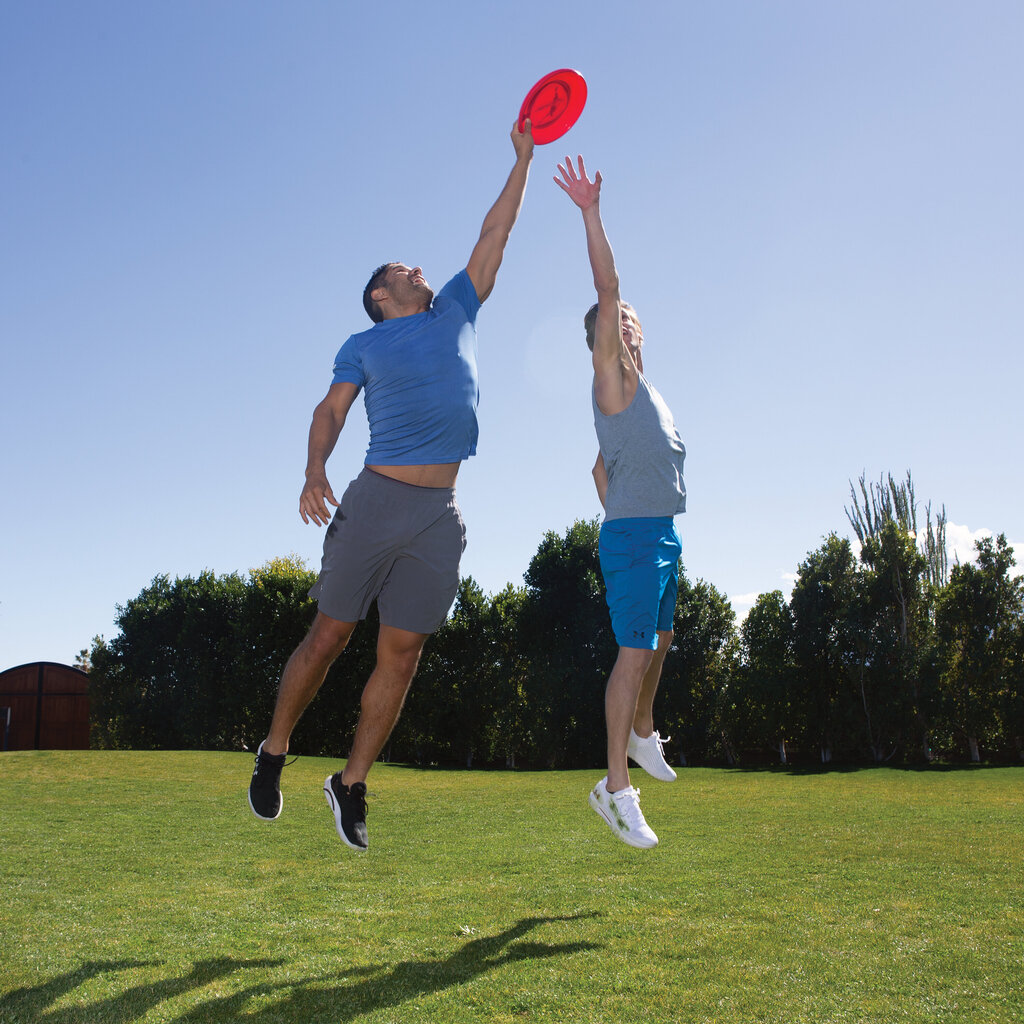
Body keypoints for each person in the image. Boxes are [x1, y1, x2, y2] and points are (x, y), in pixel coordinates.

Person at [248, 121, 535, 852]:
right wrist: (315, 469)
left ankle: (350, 783)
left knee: (401, 655)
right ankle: (275, 748)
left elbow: (494, 232)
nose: (421, 269)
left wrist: (523, 158)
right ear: (381, 292)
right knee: (330, 635)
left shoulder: (456, 313)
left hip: (441, 515)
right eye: (406, 266)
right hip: (375, 500)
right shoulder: (365, 343)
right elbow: (330, 409)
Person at [554, 155, 686, 849]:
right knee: (632, 655)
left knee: (661, 639)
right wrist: (590, 211)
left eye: (633, 319)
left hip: (656, 532)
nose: (628, 322)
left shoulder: (643, 396)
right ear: (603, 337)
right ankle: (615, 788)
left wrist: (621, 505)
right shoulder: (611, 379)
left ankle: (641, 730)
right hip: (636, 538)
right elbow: (607, 285)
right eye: (618, 320)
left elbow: (598, 467)